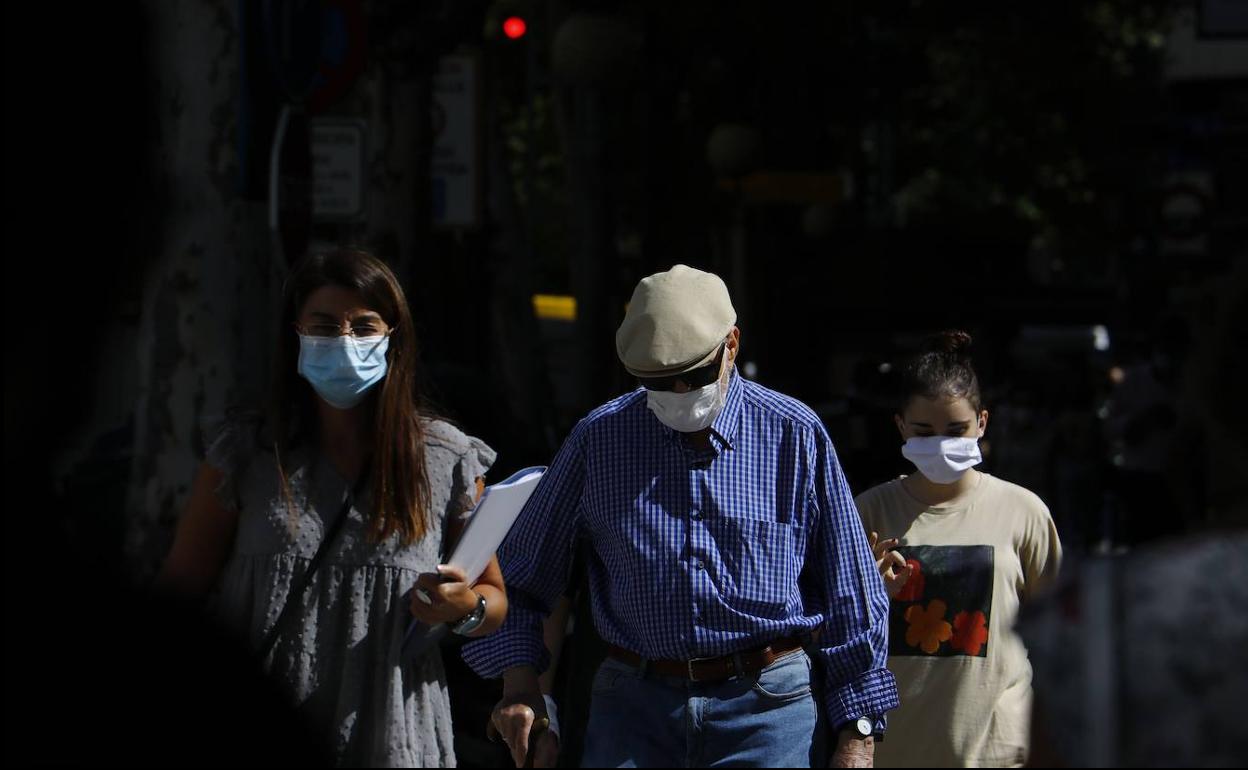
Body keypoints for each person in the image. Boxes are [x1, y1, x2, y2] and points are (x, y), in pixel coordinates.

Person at [463, 264, 898, 768]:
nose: (676, 394)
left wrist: (857, 733)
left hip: (769, 709)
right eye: (656, 383)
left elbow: (853, 592)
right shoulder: (599, 440)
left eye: (692, 376)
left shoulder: (794, 435)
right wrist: (522, 688)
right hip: (633, 708)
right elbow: (519, 580)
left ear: (731, 345)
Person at [156, 247, 507, 767]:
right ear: (294, 333)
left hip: (392, 735)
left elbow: (494, 601)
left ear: (393, 338)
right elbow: (180, 588)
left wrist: (464, 608)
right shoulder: (248, 452)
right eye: (323, 325)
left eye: (364, 327)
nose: (344, 341)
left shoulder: (446, 459)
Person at [855, 330, 1062, 767]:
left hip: (998, 751)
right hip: (897, 748)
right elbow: (835, 631)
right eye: (924, 431)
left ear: (982, 423)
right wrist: (866, 593)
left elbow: (1061, 637)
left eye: (956, 429)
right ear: (900, 427)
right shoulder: (869, 511)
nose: (941, 443)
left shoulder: (1024, 512)